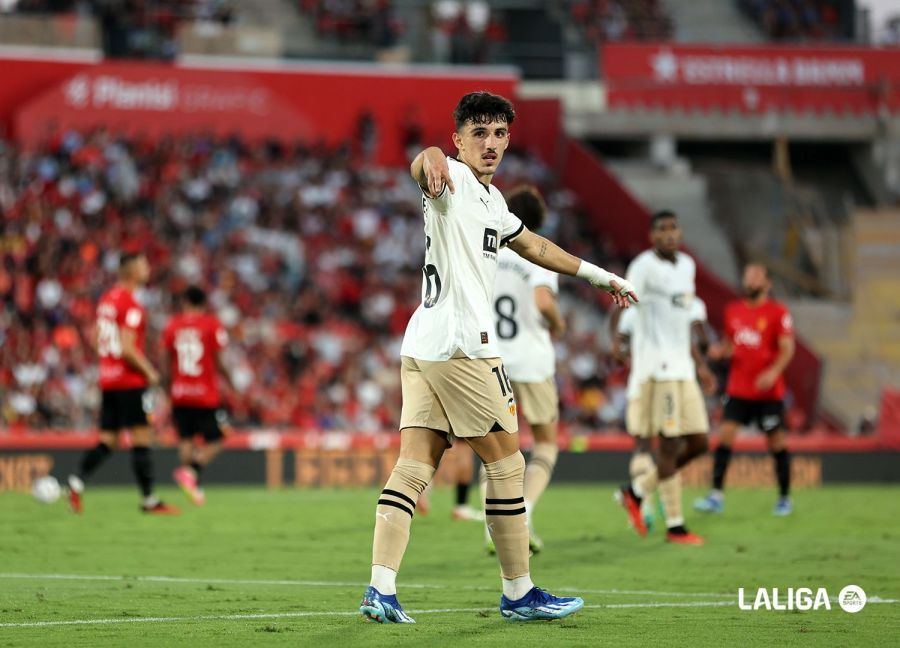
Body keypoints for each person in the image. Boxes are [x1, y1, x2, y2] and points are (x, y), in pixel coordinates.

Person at [359, 91, 637, 624]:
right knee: (508, 464)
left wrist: (603, 278)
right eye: (479, 133)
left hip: (423, 343)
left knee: (415, 466)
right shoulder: (454, 182)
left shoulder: (493, 201)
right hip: (464, 347)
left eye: (500, 134)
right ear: (459, 137)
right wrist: (431, 156)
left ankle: (381, 588)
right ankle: (519, 593)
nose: (490, 144)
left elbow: (535, 247)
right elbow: (424, 168)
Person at [610, 211, 715, 545]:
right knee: (667, 445)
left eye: (673, 228)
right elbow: (620, 301)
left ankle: (637, 491)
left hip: (683, 368)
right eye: (661, 230)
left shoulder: (687, 266)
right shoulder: (643, 266)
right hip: (659, 369)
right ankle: (675, 526)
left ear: (680, 233)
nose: (669, 234)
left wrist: (700, 364)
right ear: (652, 236)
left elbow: (684, 318)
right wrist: (616, 339)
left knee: (699, 442)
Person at [482, 185, 565, 554]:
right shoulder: (538, 251)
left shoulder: (486, 251)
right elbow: (543, 300)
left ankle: (492, 529)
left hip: (492, 360)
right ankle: (525, 511)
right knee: (545, 444)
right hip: (531, 361)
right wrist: (558, 324)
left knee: (495, 449)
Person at [67, 251, 179, 515]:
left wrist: (109, 362)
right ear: (131, 271)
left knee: (108, 440)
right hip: (129, 382)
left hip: (109, 380)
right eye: (143, 264)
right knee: (142, 437)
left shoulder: (107, 300)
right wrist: (150, 372)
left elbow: (95, 340)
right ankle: (149, 499)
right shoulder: (131, 306)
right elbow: (128, 349)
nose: (148, 268)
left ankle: (76, 481)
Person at [694, 263, 796, 516]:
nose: (749, 280)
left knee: (777, 444)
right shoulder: (733, 311)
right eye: (746, 275)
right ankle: (716, 496)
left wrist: (772, 372)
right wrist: (716, 352)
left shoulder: (777, 312)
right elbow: (730, 345)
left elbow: (788, 348)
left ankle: (784, 498)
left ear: (767, 283)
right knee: (724, 438)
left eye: (755, 276)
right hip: (738, 389)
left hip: (767, 394)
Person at [613, 295, 710, 531]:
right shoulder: (675, 306)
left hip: (650, 384)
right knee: (665, 446)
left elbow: (618, 340)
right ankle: (658, 510)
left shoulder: (636, 311)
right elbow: (697, 337)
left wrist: (621, 350)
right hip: (650, 384)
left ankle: (640, 495)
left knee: (650, 446)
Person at [161, 285, 234, 506]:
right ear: (203, 303)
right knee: (217, 440)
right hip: (204, 394)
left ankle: (194, 488)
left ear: (185, 302)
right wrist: (230, 381)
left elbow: (165, 362)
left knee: (186, 439)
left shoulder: (172, 325)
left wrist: (168, 388)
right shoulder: (211, 324)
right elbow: (219, 359)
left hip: (180, 393)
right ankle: (191, 473)